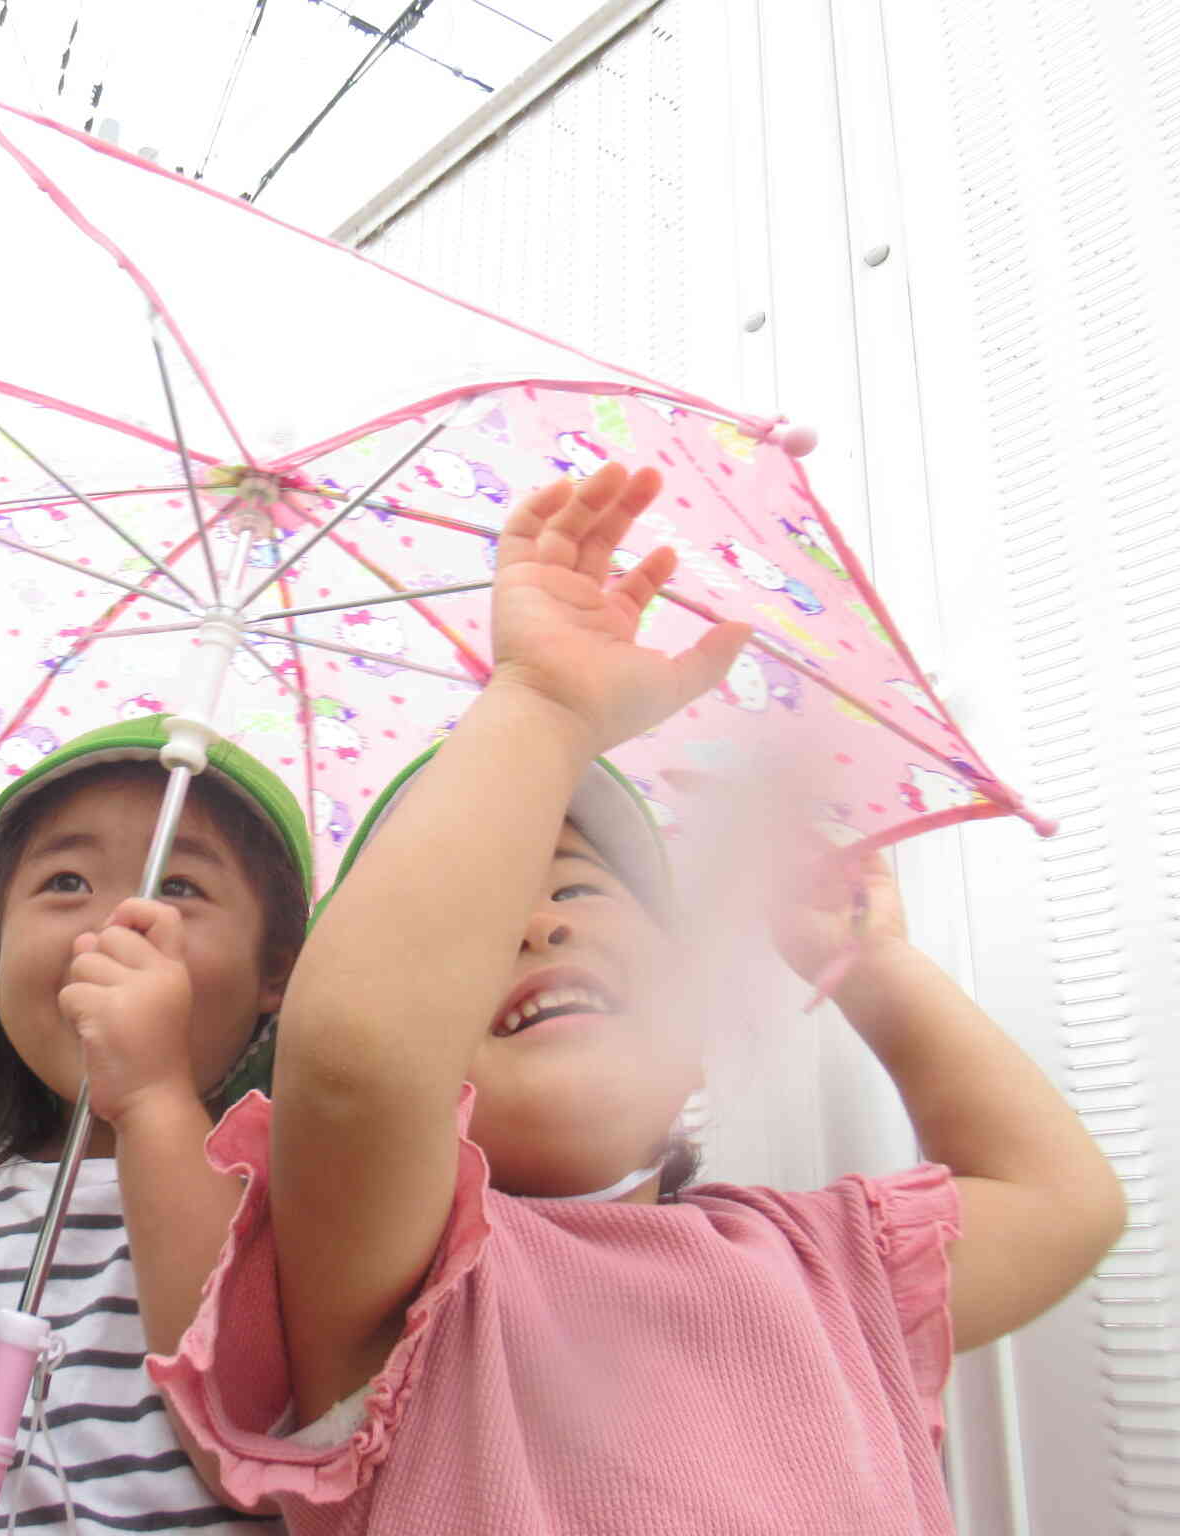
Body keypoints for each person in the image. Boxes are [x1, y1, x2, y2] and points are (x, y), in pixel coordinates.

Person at [150, 464, 1126, 1534]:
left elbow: (1060, 1201)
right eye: (490, 916)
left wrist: (873, 969)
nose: (541, 923)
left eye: (577, 886)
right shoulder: (395, 1281)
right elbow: (360, 1066)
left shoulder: (825, 1264)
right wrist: (542, 707)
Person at [0, 716, 310, 1534]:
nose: (118, 924)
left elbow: (245, 1442)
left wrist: (152, 1093)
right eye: (65, 882)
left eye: (180, 888)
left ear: (278, 972)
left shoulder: (289, 1211)